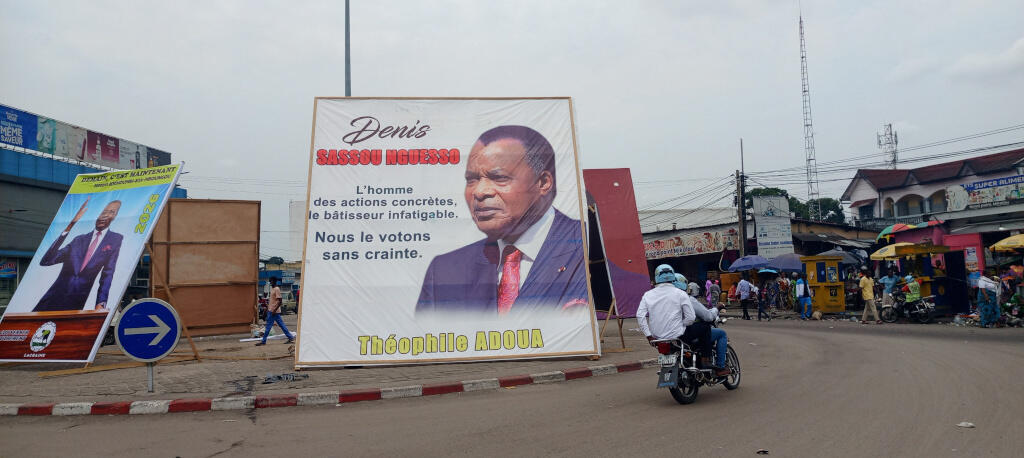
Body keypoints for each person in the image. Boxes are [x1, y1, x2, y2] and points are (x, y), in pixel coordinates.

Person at [415, 125, 587, 315]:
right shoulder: (444, 271)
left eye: (499, 178)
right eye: (472, 180)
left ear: (543, 183)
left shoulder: (585, 246)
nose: (479, 192)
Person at [33, 198, 123, 312]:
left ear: (115, 216)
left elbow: (108, 274)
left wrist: (101, 303)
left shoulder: (115, 239)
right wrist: (70, 226)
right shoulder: (78, 240)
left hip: (75, 305)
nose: (105, 215)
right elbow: (46, 261)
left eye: (111, 212)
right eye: (103, 211)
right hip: (51, 301)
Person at [637, 265, 725, 376]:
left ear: (656, 278)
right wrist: (681, 325)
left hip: (657, 337)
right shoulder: (680, 294)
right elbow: (691, 318)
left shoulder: (648, 295)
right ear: (673, 277)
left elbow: (640, 316)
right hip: (679, 334)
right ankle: (705, 361)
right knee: (705, 327)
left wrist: (649, 335)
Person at [256, 277, 294, 345]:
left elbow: (280, 301)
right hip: (272, 311)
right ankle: (290, 337)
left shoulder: (277, 289)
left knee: (268, 326)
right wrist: (267, 309)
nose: (271, 282)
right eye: (270, 281)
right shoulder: (273, 289)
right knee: (281, 325)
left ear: (275, 281)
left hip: (274, 312)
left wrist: (274, 310)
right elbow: (272, 301)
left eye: (272, 281)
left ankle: (263, 341)